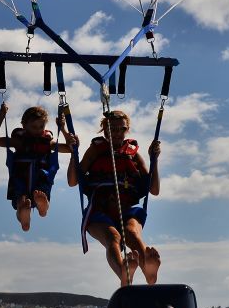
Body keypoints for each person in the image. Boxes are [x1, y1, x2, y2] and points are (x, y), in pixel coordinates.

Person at [67, 110, 161, 287]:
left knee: (131, 233)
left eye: (122, 129)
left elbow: (154, 190)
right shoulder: (95, 150)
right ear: (105, 130)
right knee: (113, 237)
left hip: (128, 209)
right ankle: (124, 274)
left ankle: (148, 271)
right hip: (99, 211)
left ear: (127, 130)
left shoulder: (133, 154)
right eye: (113, 129)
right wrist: (73, 153)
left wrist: (154, 160)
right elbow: (73, 181)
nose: (117, 133)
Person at [0, 103, 79, 231]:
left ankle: (43, 208)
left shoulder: (48, 142)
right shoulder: (18, 142)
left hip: (40, 179)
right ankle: (24, 215)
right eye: (34, 127)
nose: (38, 130)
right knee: (21, 199)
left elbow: (71, 149)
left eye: (41, 126)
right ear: (24, 126)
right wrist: (1, 118)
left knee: (41, 189)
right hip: (21, 178)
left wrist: (63, 128)